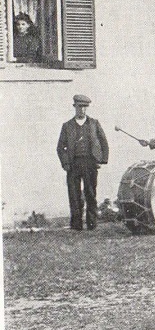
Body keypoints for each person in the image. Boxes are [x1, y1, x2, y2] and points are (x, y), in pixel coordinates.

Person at [56, 94, 108, 231]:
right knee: (74, 195)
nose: (82, 110)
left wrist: (102, 160)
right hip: (73, 165)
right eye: (80, 107)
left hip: (90, 163)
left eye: (85, 107)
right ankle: (76, 224)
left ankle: (92, 223)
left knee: (90, 193)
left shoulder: (94, 123)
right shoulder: (67, 126)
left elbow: (103, 142)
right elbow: (60, 147)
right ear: (75, 107)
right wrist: (66, 164)